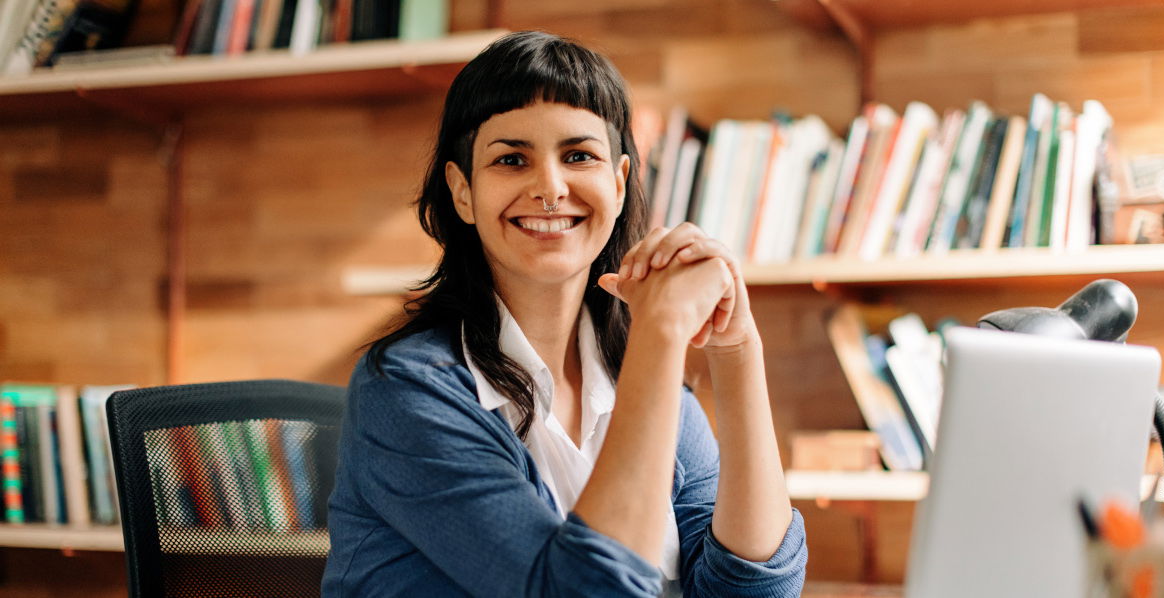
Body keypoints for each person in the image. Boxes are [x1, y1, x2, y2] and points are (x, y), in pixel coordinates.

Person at [321, 30, 807, 597]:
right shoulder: (407, 391)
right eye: (511, 160)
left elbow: (754, 590)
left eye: (578, 156)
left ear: (619, 184)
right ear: (462, 193)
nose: (550, 188)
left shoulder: (645, 383)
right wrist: (663, 328)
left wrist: (737, 351)